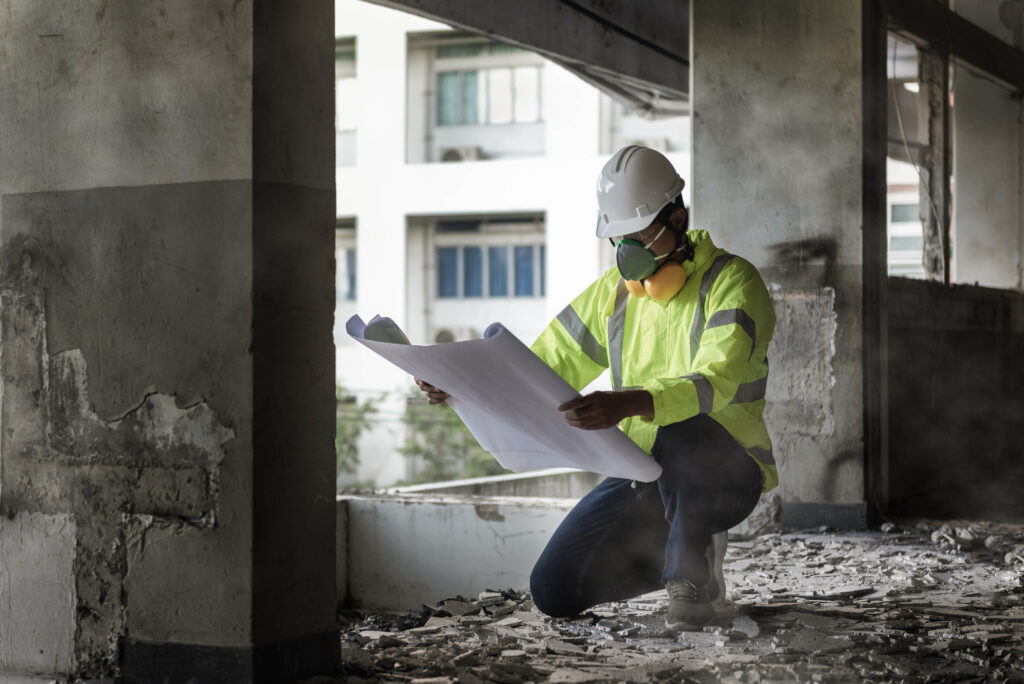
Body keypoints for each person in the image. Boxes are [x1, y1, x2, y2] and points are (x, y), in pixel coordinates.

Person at [415, 145, 777, 629]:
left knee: (684, 426)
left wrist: (631, 403)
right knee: (554, 588)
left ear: (678, 217)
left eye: (640, 234)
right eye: (620, 238)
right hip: (645, 471)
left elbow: (715, 380)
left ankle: (689, 581)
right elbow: (536, 368)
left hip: (726, 471)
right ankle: (687, 556)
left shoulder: (733, 282)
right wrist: (459, 383)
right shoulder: (614, 298)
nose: (629, 251)